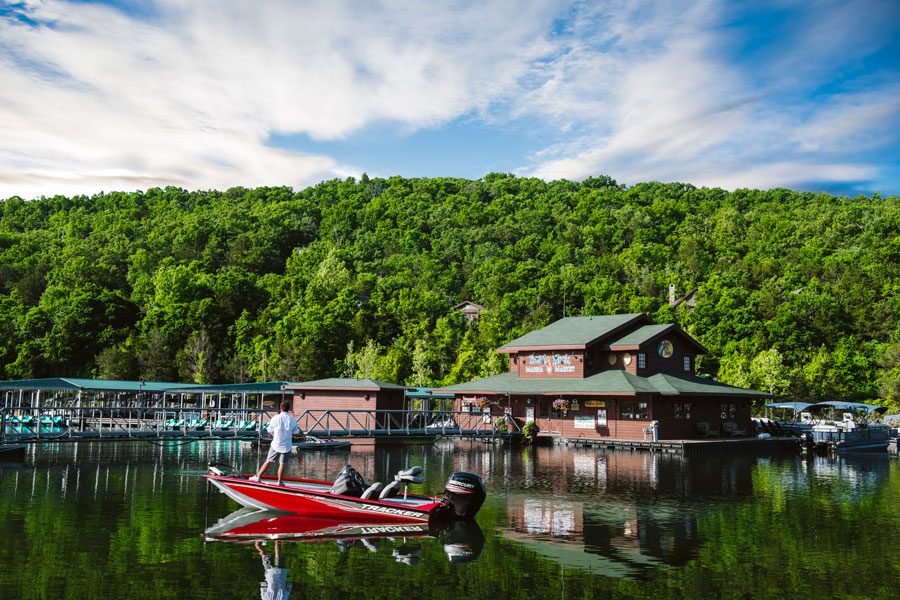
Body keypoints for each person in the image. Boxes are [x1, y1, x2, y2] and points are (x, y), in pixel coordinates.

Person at [250, 401, 300, 485]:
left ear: (280, 408)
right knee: (282, 463)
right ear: (289, 409)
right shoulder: (292, 419)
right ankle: (279, 481)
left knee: (268, 460)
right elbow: (296, 432)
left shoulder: (275, 418)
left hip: (276, 443)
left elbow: (269, 430)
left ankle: (258, 477)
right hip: (287, 445)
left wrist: (274, 432)